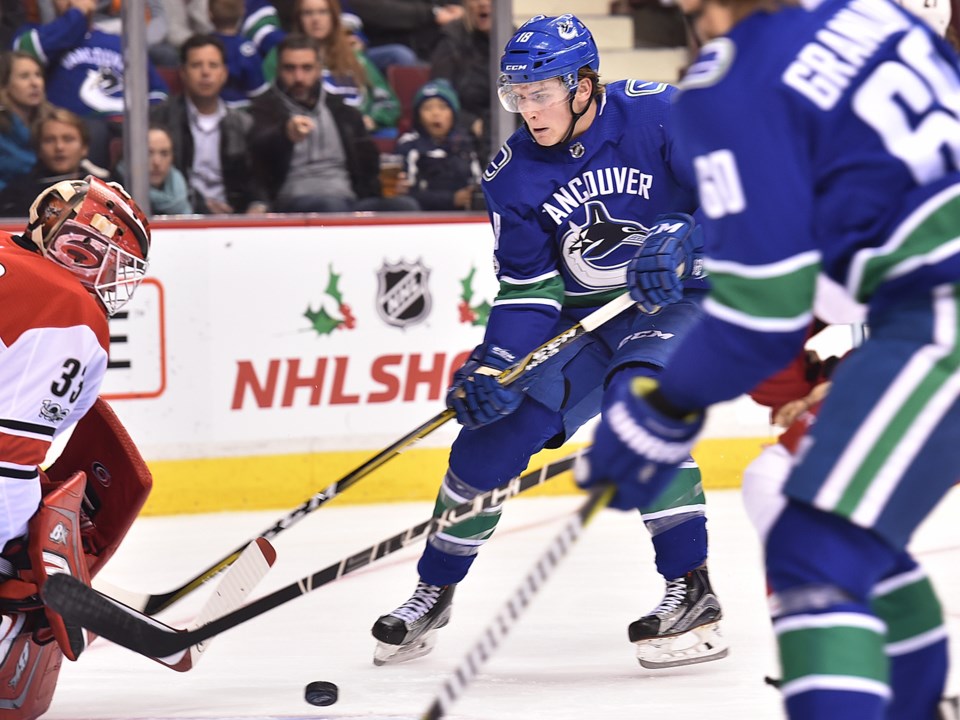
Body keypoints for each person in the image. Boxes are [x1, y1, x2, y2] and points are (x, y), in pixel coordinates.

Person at [575, 0, 960, 718]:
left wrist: (662, 410)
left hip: (939, 310)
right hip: (922, 308)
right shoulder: (874, 17)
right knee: (848, 532)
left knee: (811, 545)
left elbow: (762, 315)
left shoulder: (734, 78)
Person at [371, 14, 726, 669]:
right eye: (518, 95)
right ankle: (434, 590)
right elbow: (530, 291)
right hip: (584, 319)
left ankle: (693, 590)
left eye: (541, 93)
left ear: (584, 84)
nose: (529, 110)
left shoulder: (661, 116)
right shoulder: (513, 175)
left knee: (636, 403)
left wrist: (687, 236)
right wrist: (497, 364)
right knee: (489, 440)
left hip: (682, 299)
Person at [0, 176, 152, 718]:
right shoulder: (69, 306)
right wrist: (31, 553)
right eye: (101, 258)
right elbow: (7, 460)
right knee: (18, 572)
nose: (109, 281)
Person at [249, 33, 418, 212]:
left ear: (319, 69)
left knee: (406, 206)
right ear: (278, 70)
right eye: (289, 68)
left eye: (307, 68)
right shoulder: (263, 110)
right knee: (331, 206)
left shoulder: (343, 112)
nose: (298, 77)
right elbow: (254, 156)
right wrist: (284, 135)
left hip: (348, 199)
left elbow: (369, 166)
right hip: (293, 203)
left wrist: (388, 185)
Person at [150, 34, 269, 215]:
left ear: (224, 74)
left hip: (234, 218)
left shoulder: (244, 124)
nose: (205, 73)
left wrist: (257, 205)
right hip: (181, 214)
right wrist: (201, 206)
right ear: (183, 72)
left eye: (213, 65)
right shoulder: (160, 119)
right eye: (196, 65)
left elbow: (256, 179)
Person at [295, 0, 400, 138]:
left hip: (359, 134)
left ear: (334, 17)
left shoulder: (355, 58)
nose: (316, 19)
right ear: (298, 19)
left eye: (323, 12)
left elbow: (388, 101)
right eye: (308, 13)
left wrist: (373, 120)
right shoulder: (284, 58)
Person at [0, 106, 111, 217]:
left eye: (68, 139)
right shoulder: (15, 196)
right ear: (38, 149)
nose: (59, 147)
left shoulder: (105, 190)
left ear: (84, 148)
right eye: (49, 140)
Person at [396, 79, 482, 211]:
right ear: (418, 115)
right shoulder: (409, 145)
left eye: (443, 107)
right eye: (427, 108)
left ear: (453, 114)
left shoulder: (465, 144)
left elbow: (477, 183)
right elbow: (408, 194)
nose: (435, 114)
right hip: (423, 218)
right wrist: (451, 199)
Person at [429, 0, 492, 159]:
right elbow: (439, 95)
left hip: (504, 123)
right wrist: (470, 122)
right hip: (464, 127)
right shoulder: (451, 40)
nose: (483, 3)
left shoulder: (515, 40)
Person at [0, 51, 54, 193]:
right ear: (4, 84)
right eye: (24, 76)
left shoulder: (52, 121)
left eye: (38, 75)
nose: (35, 83)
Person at [117, 124, 195, 215]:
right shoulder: (112, 195)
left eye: (164, 153)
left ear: (172, 157)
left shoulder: (194, 197)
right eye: (148, 153)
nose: (156, 162)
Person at [208, 0, 270, 108]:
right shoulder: (247, 50)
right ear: (243, 11)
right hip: (241, 111)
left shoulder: (200, 46)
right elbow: (257, 90)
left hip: (204, 109)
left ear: (209, 13)